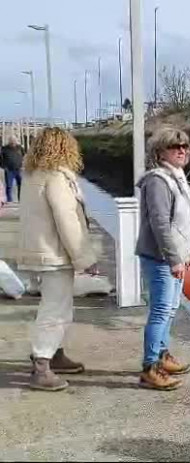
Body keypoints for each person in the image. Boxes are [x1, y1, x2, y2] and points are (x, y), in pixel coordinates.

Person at [16, 128, 99, 391]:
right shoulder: (57, 178)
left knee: (57, 306)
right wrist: (84, 258)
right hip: (55, 254)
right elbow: (68, 222)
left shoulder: (33, 176)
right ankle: (42, 365)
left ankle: (55, 353)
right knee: (55, 309)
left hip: (41, 250)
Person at [136, 127, 190, 391]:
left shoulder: (177, 177)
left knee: (171, 308)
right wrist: (174, 258)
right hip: (161, 257)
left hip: (176, 256)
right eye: (176, 147)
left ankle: (162, 355)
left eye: (185, 146)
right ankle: (149, 367)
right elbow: (160, 224)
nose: (182, 151)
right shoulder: (157, 180)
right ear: (160, 151)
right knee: (161, 310)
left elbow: (187, 222)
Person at [1, 135, 25, 202]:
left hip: (19, 170)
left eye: (14, 141)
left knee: (21, 185)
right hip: (9, 170)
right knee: (9, 186)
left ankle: (21, 200)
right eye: (11, 142)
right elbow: (0, 159)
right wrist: (3, 167)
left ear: (16, 141)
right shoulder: (4, 149)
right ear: (9, 142)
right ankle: (9, 201)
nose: (13, 143)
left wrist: (23, 165)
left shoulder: (20, 148)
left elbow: (24, 156)